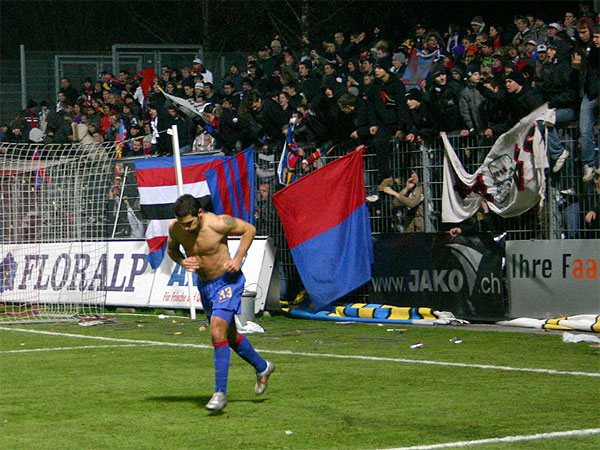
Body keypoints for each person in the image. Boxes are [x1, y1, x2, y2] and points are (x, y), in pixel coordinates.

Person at [166, 194, 275, 412]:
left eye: (189, 223)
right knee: (229, 336)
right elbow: (171, 250)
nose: (186, 228)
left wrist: (238, 258)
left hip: (228, 281)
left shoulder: (218, 223)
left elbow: (249, 229)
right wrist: (182, 261)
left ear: (200, 213)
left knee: (217, 330)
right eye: (182, 224)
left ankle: (220, 393)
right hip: (206, 286)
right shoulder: (176, 228)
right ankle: (263, 367)